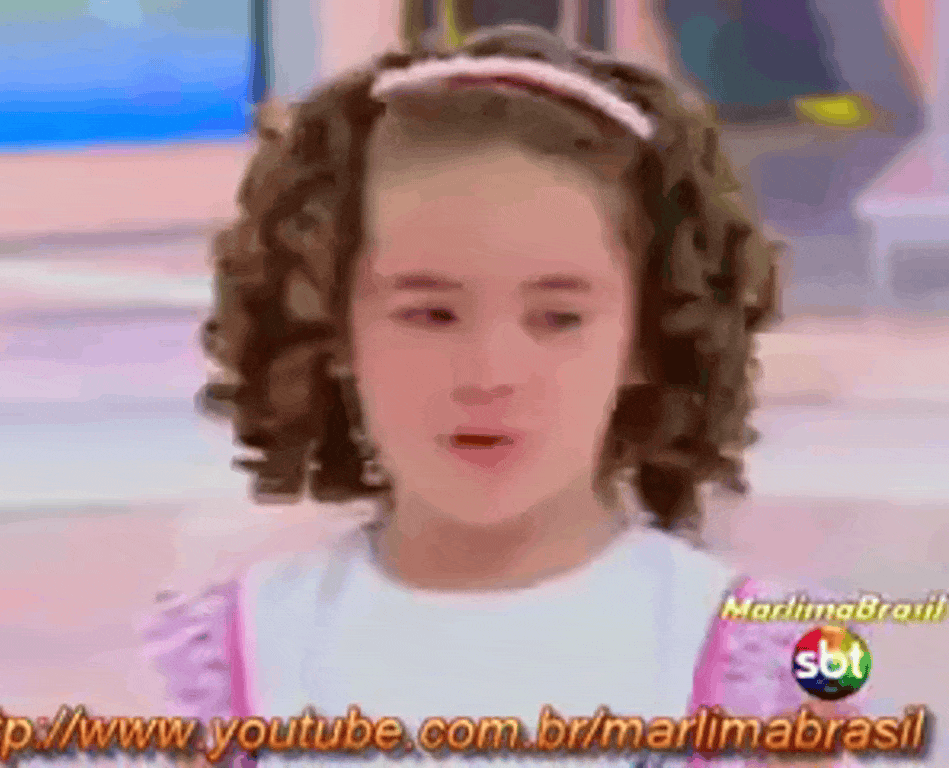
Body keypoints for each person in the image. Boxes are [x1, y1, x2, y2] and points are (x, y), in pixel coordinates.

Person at [143, 23, 862, 767]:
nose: (489, 374)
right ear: (329, 324)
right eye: (431, 314)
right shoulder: (252, 652)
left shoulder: (748, 667)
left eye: (558, 318)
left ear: (649, 335)